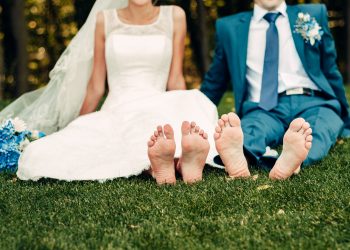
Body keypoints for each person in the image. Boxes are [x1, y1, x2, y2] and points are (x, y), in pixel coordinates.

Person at [1, 0, 220, 184]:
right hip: (117, 108)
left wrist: (183, 117)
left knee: (171, 116)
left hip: (158, 101)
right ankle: (165, 164)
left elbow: (175, 78)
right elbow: (96, 86)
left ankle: (177, 161)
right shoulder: (104, 19)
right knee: (47, 152)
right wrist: (74, 126)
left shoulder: (175, 15)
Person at [201, 0, 350, 180]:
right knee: (252, 129)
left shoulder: (313, 14)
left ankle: (294, 160)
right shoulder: (229, 27)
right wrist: (196, 113)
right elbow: (215, 81)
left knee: (319, 127)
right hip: (262, 106)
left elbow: (330, 69)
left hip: (313, 101)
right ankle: (240, 154)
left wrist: (345, 115)